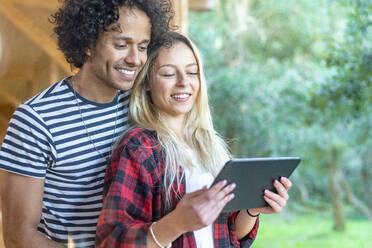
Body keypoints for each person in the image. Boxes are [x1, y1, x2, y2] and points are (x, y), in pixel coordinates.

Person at [0, 1, 173, 247]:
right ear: (89, 44)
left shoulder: (142, 106)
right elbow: (19, 236)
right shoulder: (35, 120)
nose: (135, 59)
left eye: (142, 47)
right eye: (121, 45)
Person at [95, 32, 293, 248]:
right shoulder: (139, 148)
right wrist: (177, 223)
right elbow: (111, 242)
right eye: (169, 74)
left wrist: (252, 209)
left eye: (192, 72)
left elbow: (232, 235)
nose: (183, 82)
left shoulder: (211, 146)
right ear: (147, 83)